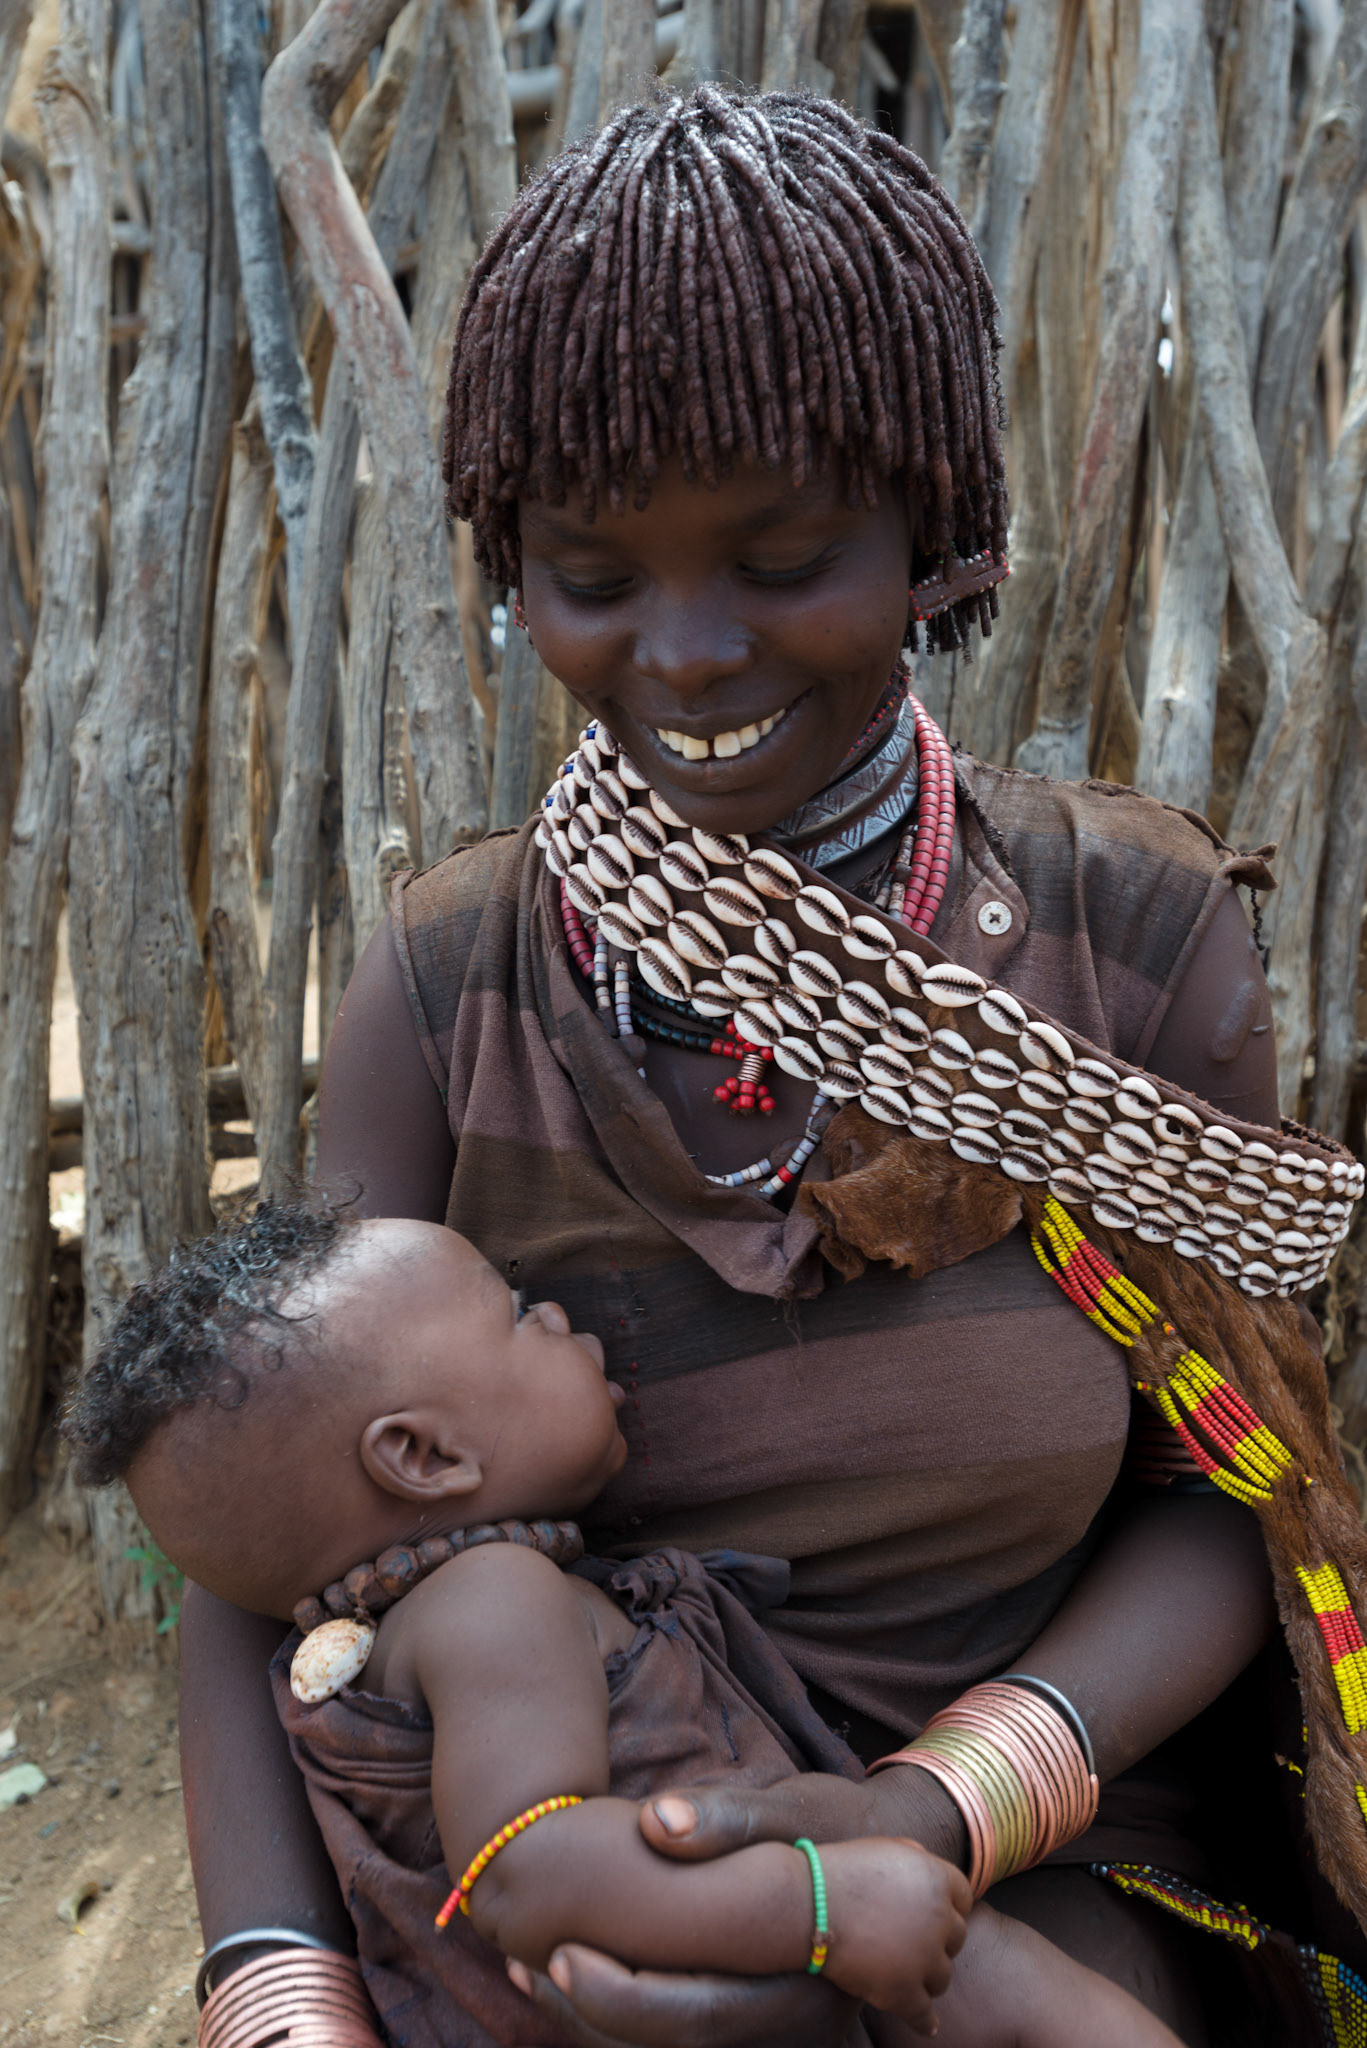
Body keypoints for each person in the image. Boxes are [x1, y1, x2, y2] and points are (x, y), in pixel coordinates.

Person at [175, 84, 1367, 2048]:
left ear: (932, 528)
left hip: (1027, 1852)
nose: (690, 649)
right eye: (592, 573)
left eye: (784, 552)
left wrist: (908, 1827)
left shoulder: (1121, 939)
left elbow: (1216, 1492)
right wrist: (285, 2000)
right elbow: (262, 1523)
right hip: (535, 1868)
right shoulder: (448, 986)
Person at [65, 1202, 1189, 2047]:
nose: (554, 1313)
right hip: (702, 1968)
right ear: (424, 1456)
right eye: (515, 1315)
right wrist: (821, 1903)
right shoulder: (492, 1604)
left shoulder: (427, 1622)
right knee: (1011, 1985)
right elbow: (522, 1868)